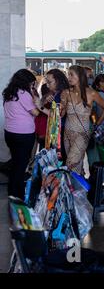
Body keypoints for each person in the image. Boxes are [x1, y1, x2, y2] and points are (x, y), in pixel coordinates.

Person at [60, 65, 104, 175]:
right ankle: (80, 189)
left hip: (83, 133)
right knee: (77, 164)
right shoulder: (66, 92)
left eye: (71, 75)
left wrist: (97, 123)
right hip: (67, 133)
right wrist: (59, 108)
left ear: (80, 76)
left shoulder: (91, 93)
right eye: (68, 75)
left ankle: (73, 189)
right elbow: (61, 114)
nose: (69, 77)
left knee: (71, 163)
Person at [3, 69, 41, 199]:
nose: (32, 86)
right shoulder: (24, 93)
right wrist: (36, 99)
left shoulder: (8, 92)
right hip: (23, 134)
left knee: (16, 163)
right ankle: (16, 195)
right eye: (31, 83)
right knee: (20, 165)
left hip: (10, 133)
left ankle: (12, 192)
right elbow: (35, 112)